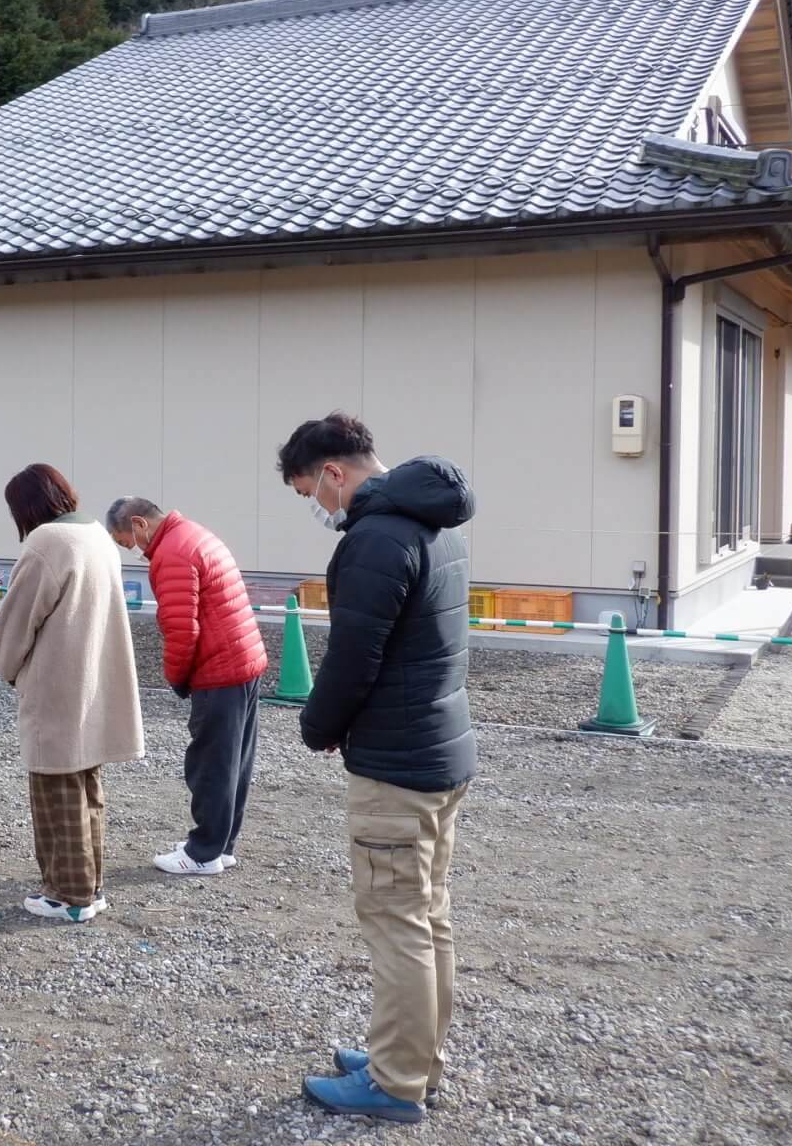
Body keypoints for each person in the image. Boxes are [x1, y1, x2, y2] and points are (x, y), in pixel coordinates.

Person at [277, 413, 476, 1126]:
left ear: (334, 471)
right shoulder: (434, 524)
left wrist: (317, 726)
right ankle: (418, 1060)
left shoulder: (374, 539)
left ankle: (396, 1082)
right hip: (441, 748)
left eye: (311, 491)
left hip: (396, 762)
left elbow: (352, 656)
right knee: (429, 918)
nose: (318, 506)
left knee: (396, 923)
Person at [0, 465, 144, 923]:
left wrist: (4, 666)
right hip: (94, 680)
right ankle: (91, 887)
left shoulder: (46, 544)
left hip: (58, 684)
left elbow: (15, 624)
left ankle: (68, 894)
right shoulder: (96, 534)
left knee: (55, 791)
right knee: (86, 788)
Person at [105, 497, 268, 877]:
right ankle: (221, 844)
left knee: (210, 763)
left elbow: (181, 629)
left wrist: (176, 677)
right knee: (234, 762)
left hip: (219, 668)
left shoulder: (173, 553)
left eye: (128, 541)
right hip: (245, 660)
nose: (135, 551)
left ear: (139, 523)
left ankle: (202, 853)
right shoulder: (193, 535)